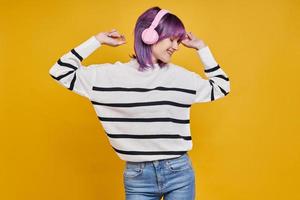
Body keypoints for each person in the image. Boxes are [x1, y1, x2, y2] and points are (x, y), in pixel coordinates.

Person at [49, 6, 230, 200]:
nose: (177, 46)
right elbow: (60, 71)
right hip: (138, 177)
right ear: (149, 35)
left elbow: (221, 87)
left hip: (179, 172)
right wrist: (97, 41)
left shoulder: (181, 78)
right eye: (172, 39)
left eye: (178, 41)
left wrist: (202, 48)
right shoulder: (107, 77)